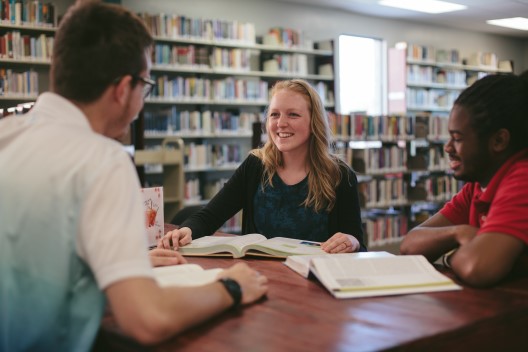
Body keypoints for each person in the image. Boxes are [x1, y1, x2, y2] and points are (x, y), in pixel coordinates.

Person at [0, 2, 267, 351]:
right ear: (123, 89)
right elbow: (147, 319)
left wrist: (120, 265)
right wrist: (231, 287)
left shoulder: (7, 133)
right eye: (146, 85)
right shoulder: (103, 160)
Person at [159, 79, 366, 253]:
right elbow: (211, 215)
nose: (280, 123)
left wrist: (351, 241)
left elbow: (357, 244)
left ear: (314, 122)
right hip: (261, 277)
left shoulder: (339, 175)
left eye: (293, 114)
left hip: (313, 280)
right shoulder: (255, 165)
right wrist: (187, 230)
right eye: (274, 114)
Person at [400, 71, 528, 287]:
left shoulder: (522, 179)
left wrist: (452, 256)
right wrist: (459, 232)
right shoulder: (477, 186)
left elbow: (476, 267)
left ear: (498, 140)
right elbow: (410, 245)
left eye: (457, 138)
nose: (448, 148)